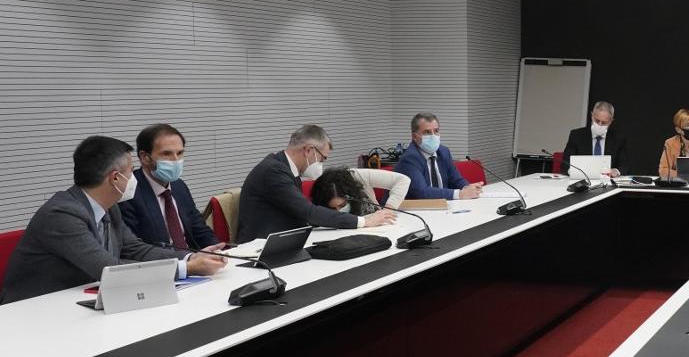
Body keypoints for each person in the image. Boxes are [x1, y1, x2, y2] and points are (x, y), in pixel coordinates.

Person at [1, 136, 226, 304]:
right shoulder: (62, 214)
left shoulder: (109, 207)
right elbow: (109, 268)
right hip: (32, 312)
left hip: (79, 301)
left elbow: (136, 249)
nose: (135, 177)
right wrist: (186, 268)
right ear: (115, 178)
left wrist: (191, 255)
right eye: (131, 170)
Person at [236, 125, 396, 242]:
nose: (321, 164)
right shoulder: (274, 171)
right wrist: (364, 221)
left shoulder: (286, 168)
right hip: (258, 251)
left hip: (281, 243)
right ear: (308, 150)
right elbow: (307, 213)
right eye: (322, 158)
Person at [120, 123, 219, 250]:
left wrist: (217, 250)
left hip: (194, 260)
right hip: (160, 264)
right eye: (166, 154)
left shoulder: (179, 186)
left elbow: (198, 228)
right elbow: (135, 247)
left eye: (180, 153)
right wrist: (186, 261)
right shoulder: (128, 192)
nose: (175, 160)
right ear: (145, 157)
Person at [395, 113, 484, 200]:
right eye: (427, 132)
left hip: (442, 206)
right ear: (414, 136)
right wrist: (460, 194)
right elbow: (422, 192)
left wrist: (468, 188)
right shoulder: (409, 159)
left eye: (436, 131)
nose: (433, 136)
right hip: (410, 209)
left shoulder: (443, 152)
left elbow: (456, 180)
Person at [561, 101, 629, 177]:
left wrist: (616, 171)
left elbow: (624, 165)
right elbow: (565, 163)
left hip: (607, 182)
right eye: (597, 120)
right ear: (592, 116)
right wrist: (575, 172)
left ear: (610, 121)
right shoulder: (577, 135)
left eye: (604, 123)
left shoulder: (618, 138)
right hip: (581, 181)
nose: (599, 125)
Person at [309, 167, 412, 214]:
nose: (339, 211)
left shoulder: (358, 176)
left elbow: (403, 180)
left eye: (342, 205)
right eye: (333, 208)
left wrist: (388, 210)